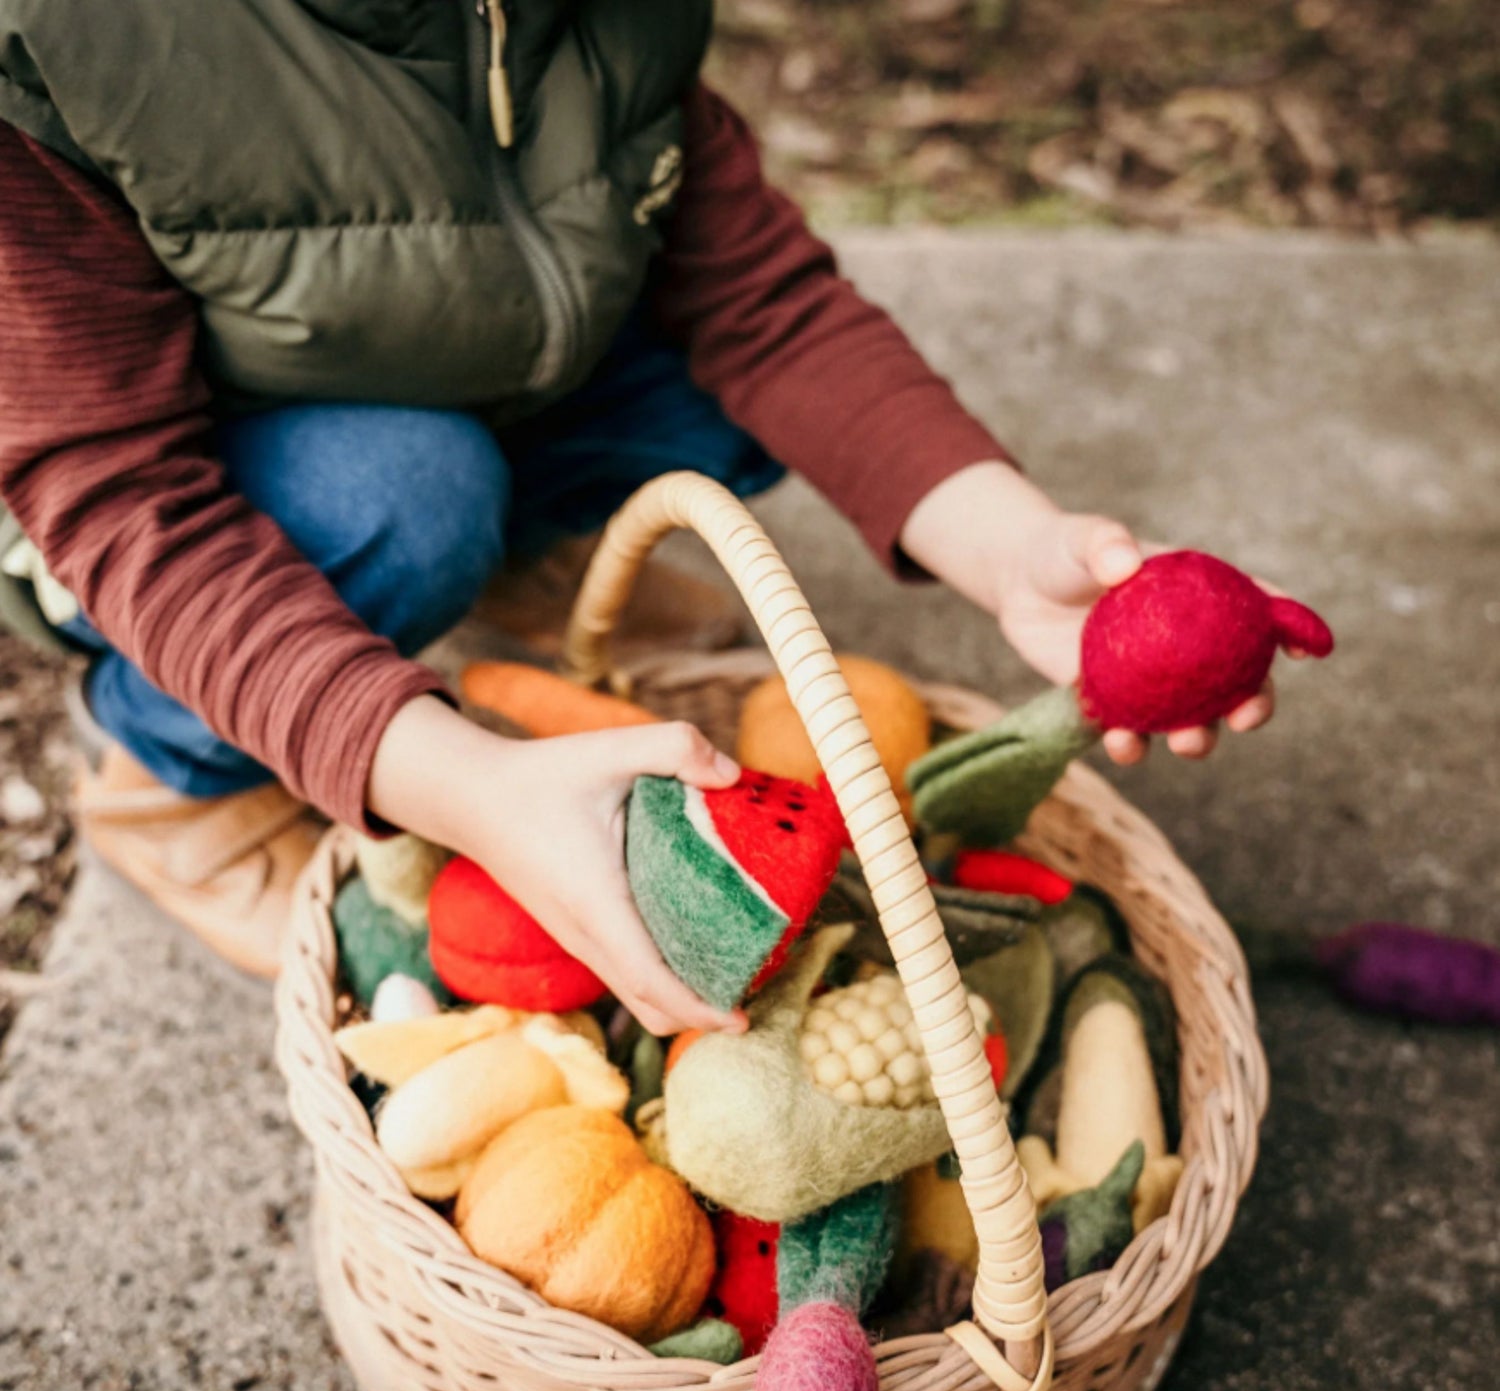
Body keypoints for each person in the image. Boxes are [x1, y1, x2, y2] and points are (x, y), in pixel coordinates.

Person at [0, 2, 1274, 1035]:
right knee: (418, 501)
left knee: (724, 409)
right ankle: (172, 777)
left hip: (462, 339)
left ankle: (524, 552)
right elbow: (120, 494)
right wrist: (470, 787)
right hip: (170, 489)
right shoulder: (70, 40)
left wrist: (1009, 547)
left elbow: (760, 299)